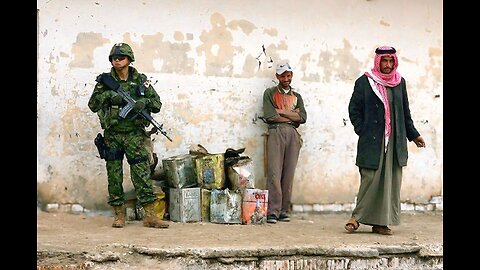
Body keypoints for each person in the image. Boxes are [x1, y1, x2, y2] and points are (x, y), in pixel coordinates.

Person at [345, 46, 426, 235]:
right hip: (373, 141)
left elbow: (406, 113)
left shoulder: (400, 83)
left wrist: (413, 135)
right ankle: (356, 217)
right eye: (384, 61)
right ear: (378, 61)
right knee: (370, 179)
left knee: (390, 182)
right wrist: (363, 130)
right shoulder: (365, 82)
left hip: (395, 141)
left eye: (391, 61)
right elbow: (354, 109)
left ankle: (381, 223)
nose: (388, 65)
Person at [88, 43, 169, 229]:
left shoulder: (141, 80)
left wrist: (143, 102)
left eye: (121, 57)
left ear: (129, 60)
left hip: (135, 135)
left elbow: (157, 104)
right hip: (113, 135)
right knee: (114, 175)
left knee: (141, 174)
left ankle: (150, 216)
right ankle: (119, 215)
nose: (117, 61)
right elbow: (92, 105)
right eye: (114, 58)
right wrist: (108, 95)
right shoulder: (105, 81)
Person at [262, 61, 307, 224]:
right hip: (275, 132)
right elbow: (270, 116)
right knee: (274, 172)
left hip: (292, 135)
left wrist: (280, 111)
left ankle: (283, 210)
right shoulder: (270, 93)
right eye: (282, 76)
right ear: (277, 76)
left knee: (288, 174)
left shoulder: (297, 96)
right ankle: (272, 211)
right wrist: (290, 114)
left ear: (292, 75)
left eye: (288, 75)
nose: (286, 79)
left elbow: (302, 118)